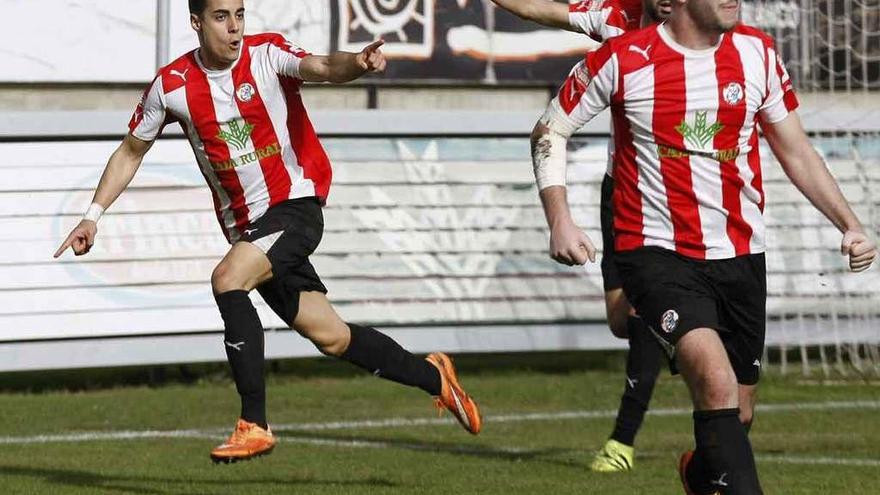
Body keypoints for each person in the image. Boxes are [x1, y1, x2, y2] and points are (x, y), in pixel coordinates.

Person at [54, 0, 482, 464]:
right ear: (197, 22)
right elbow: (131, 151)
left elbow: (319, 65)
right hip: (250, 230)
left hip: (295, 206)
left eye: (239, 14)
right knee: (332, 337)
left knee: (227, 279)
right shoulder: (172, 86)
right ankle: (434, 377)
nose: (234, 27)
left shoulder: (266, 55)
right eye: (221, 17)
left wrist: (357, 63)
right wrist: (93, 214)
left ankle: (254, 424)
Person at [529, 0, 877, 492]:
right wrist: (560, 220)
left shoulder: (758, 53)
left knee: (739, 409)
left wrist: (849, 222)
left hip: (740, 255)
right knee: (716, 384)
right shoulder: (623, 58)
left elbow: (794, 147)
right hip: (655, 254)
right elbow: (551, 128)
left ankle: (698, 475)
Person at [493, 0, 671, 472]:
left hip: (681, 200)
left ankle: (621, 442)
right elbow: (540, 9)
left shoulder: (723, 38)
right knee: (622, 320)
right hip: (625, 192)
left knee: (645, 311)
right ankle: (677, 325)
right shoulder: (619, 18)